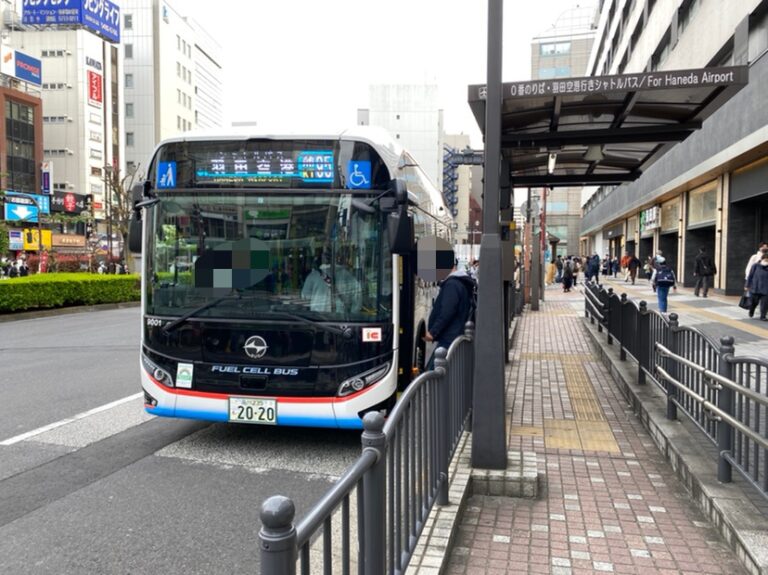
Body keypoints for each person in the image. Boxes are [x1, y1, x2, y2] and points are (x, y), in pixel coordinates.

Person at [425, 259, 476, 362]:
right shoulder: (460, 282)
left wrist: (432, 333)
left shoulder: (452, 285)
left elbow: (447, 312)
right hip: (454, 336)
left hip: (449, 338)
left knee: (436, 373)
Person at [746, 251, 768, 321]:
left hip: (766, 289)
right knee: (754, 302)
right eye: (766, 259)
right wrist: (747, 285)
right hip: (755, 288)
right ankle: (751, 310)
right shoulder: (755, 266)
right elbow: (750, 276)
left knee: (765, 304)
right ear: (762, 259)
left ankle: (763, 316)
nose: (767, 261)